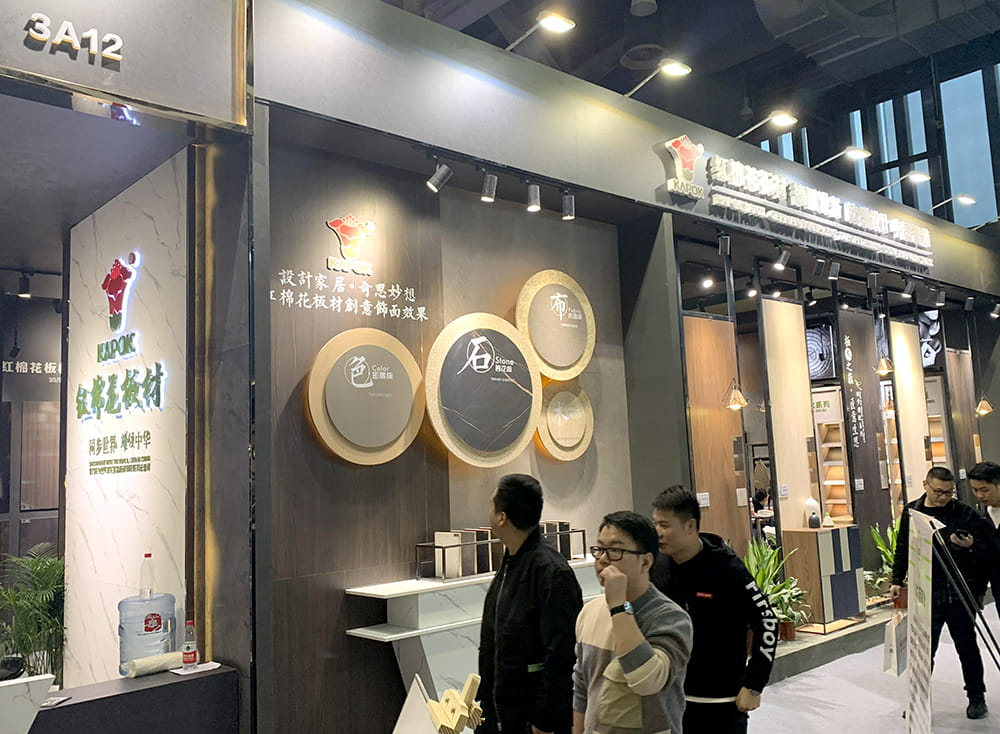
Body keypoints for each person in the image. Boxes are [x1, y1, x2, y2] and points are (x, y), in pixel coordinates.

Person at [650, 485, 777, 733]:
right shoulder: (657, 565)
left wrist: (754, 684)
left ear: (690, 526)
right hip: (670, 696)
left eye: (664, 525)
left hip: (720, 702)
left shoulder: (727, 568)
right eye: (655, 524)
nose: (658, 533)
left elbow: (767, 621)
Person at [479, 474, 583, 734]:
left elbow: (562, 654)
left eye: (491, 505)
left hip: (533, 721)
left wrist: (544, 721)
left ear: (502, 518)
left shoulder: (551, 571)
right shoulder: (512, 559)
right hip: (501, 713)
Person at [572, 511, 692, 734]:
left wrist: (618, 607)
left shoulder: (670, 618)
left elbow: (647, 680)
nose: (603, 559)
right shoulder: (589, 612)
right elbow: (582, 686)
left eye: (615, 551)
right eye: (599, 549)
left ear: (645, 561)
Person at [890, 466, 994, 720]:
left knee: (967, 648)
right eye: (938, 492)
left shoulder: (964, 513)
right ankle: (917, 700)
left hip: (959, 592)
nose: (943, 497)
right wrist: (897, 579)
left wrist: (970, 546)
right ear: (925, 485)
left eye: (949, 492)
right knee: (924, 651)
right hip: (927, 592)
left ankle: (977, 697)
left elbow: (985, 548)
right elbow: (903, 544)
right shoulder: (913, 512)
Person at [968, 461, 1000, 623]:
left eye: (984, 490)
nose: (980, 495)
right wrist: (980, 591)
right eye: (975, 490)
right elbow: (983, 560)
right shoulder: (981, 519)